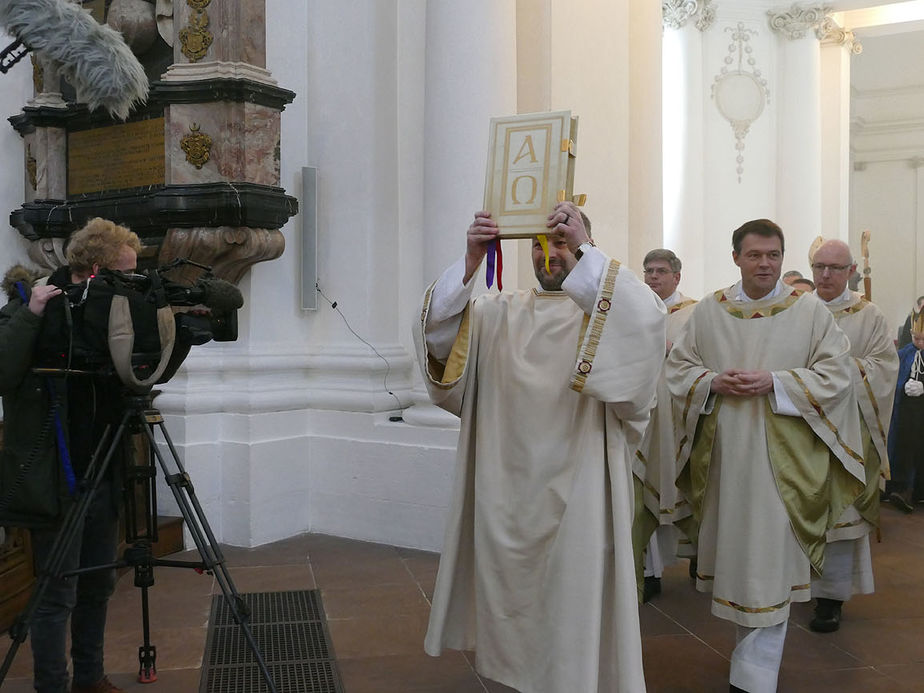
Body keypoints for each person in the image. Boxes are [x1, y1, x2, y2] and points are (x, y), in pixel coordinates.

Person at [415, 202, 665, 692]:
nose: (548, 253)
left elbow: (646, 327)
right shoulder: (497, 314)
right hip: (506, 490)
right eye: (537, 243)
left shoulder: (603, 317)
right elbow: (439, 338)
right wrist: (469, 262)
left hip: (581, 486)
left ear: (584, 249)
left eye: (560, 242)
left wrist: (586, 252)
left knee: (573, 606)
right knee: (515, 613)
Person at [665, 219, 864, 693]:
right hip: (726, 466)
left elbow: (838, 375)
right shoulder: (711, 311)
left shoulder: (810, 311)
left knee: (768, 571)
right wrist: (711, 381)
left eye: (773, 255)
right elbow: (678, 369)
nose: (765, 264)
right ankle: (750, 669)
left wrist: (776, 382)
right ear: (736, 257)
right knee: (739, 569)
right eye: (755, 255)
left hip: (786, 469)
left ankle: (753, 680)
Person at [0, 218, 175, 693]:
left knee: (98, 582)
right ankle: (52, 684)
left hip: (105, 464)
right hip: (55, 471)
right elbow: (3, 371)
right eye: (125, 274)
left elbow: (140, 370)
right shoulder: (33, 303)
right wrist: (32, 312)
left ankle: (90, 677)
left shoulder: (113, 313)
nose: (132, 284)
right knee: (57, 589)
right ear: (94, 271)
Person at [808, 239, 898, 632]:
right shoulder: (799, 309)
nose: (825, 275)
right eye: (819, 267)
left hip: (850, 430)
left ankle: (831, 598)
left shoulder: (869, 314)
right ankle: (799, 586)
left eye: (834, 267)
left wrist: (830, 375)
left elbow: (883, 368)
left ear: (850, 272)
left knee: (842, 517)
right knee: (802, 507)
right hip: (803, 427)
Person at [635, 249, 697, 601]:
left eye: (660, 271)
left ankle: (698, 556)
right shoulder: (638, 309)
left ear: (677, 276)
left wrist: (673, 347)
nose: (653, 277)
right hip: (644, 413)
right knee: (646, 489)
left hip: (680, 416)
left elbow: (703, 354)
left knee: (686, 486)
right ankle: (650, 570)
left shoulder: (695, 312)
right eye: (648, 271)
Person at [887, 311, 924, 512]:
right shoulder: (906, 352)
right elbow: (890, 368)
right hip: (906, 412)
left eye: (923, 339)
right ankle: (901, 489)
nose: (918, 343)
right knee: (904, 448)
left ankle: (917, 491)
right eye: (915, 338)